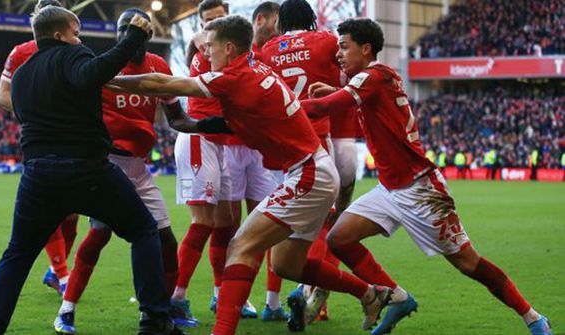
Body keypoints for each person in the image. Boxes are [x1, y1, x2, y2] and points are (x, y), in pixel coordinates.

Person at [108, 15, 393, 335]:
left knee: (241, 246)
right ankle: (371, 294)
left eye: (211, 47)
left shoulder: (235, 76)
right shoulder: (255, 68)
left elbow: (162, 84)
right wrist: (195, 125)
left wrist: (106, 76)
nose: (206, 54)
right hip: (312, 170)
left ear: (229, 48)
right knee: (287, 265)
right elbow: (239, 121)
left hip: (307, 173)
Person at [301, 18, 552, 335]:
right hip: (389, 189)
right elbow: (351, 101)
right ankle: (397, 297)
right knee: (339, 239)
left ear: (365, 49)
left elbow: (324, 108)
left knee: (468, 263)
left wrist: (282, 106)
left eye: (344, 46)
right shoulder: (371, 79)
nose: (338, 53)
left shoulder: (374, 76)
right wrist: (336, 91)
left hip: (421, 190)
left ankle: (533, 317)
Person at [0, 7, 185, 335]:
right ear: (59, 35)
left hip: (37, 176)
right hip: (86, 170)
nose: (79, 39)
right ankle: (156, 321)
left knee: (17, 253)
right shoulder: (73, 56)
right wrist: (132, 37)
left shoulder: (23, 75)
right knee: (145, 231)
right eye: (75, 32)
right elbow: (93, 73)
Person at [51, 8, 207, 334]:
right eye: (122, 29)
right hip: (107, 165)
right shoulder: (102, 65)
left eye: (133, 29)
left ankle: (161, 313)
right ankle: (66, 310)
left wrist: (212, 125)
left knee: (165, 241)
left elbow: (176, 118)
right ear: (117, 34)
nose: (126, 35)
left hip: (138, 168)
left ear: (147, 35)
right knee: (100, 233)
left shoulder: (159, 67)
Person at [260, 0, 350, 327]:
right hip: (316, 142)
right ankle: (309, 290)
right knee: (323, 223)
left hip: (279, 148)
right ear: (311, 18)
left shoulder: (268, 50)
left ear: (281, 22)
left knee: (284, 222)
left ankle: (276, 298)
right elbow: (347, 73)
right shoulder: (325, 41)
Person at [170, 0, 257, 322]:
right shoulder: (206, 52)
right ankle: (175, 298)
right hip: (199, 139)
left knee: (226, 224)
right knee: (203, 222)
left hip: (223, 145)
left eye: (218, 20)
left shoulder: (233, 51)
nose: (212, 29)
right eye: (207, 23)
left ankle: (221, 293)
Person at [0, 0, 79, 295]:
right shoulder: (21, 53)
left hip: (72, 139)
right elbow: (2, 95)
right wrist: (30, 112)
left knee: (71, 214)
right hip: (41, 139)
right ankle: (62, 273)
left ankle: (55, 271)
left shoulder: (73, 48)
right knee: (49, 209)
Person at [225, 1, 290, 322]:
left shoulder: (270, 56)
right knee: (228, 229)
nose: (279, 28)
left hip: (263, 154)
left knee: (269, 229)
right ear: (260, 19)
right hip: (227, 148)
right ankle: (217, 299)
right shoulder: (231, 54)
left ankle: (272, 303)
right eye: (276, 21)